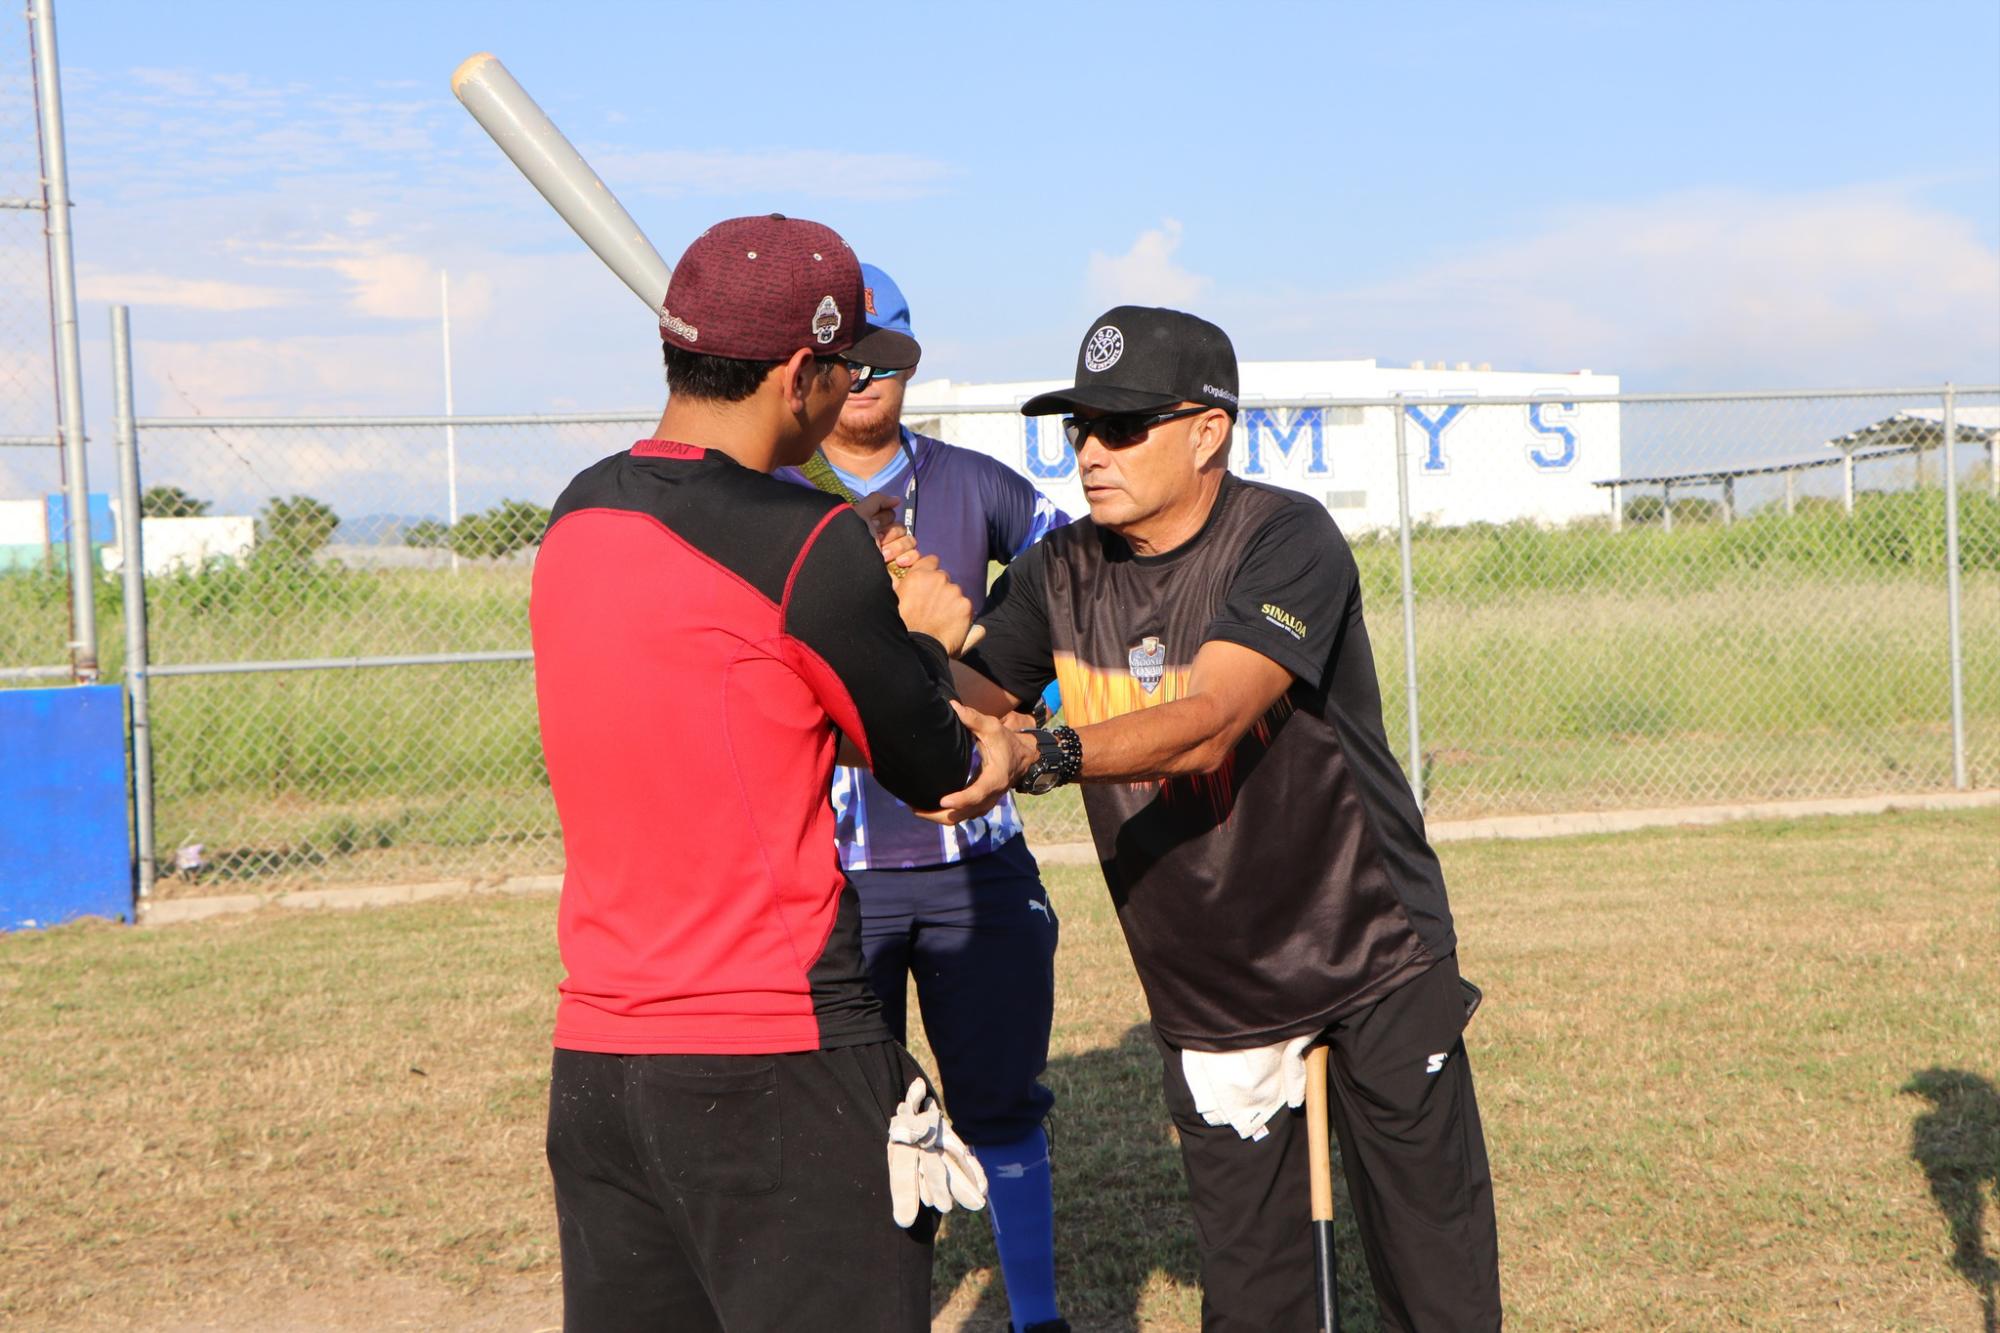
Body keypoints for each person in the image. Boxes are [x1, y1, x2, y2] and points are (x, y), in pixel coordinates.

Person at [940, 306, 1503, 1331]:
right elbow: (954, 717)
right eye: (1078, 428)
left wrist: (1040, 747)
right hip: (1210, 985)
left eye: (1122, 426)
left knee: (1437, 1282)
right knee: (1255, 1302)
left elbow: (1209, 722)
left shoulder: (1284, 536)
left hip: (1368, 948)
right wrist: (890, 642)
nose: (1090, 451)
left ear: (1207, 431)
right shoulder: (1055, 575)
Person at [530, 214, 1008, 1332]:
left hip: (600, 1061)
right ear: (801, 372)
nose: (848, 398)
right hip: (772, 1055)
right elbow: (933, 766)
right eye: (843, 375)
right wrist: (927, 635)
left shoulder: (575, 515)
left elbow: (743, 706)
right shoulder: (806, 540)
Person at [775, 263, 1072, 1333]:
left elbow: (1069, 602)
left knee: (999, 1106)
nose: (858, 371)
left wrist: (994, 691)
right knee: (852, 1127)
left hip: (970, 863)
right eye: (838, 350)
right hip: (829, 872)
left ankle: (1034, 1317)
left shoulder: (974, 486)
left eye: (878, 347)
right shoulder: (774, 495)